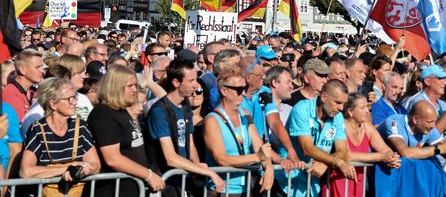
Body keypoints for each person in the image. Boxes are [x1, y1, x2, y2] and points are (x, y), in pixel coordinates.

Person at [146, 58, 224, 192]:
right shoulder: (160, 111)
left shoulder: (185, 105)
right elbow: (170, 158)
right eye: (191, 81)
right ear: (176, 82)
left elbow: (190, 143)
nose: (196, 85)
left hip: (185, 179)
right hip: (165, 182)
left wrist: (197, 166)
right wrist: (208, 172)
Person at [88, 65, 165, 196]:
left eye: (135, 85)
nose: (135, 90)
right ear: (116, 87)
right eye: (131, 86)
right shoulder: (104, 114)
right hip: (113, 190)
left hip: (133, 188)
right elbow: (113, 159)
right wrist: (148, 175)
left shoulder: (122, 111)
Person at [19, 78, 100, 195]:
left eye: (75, 97)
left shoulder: (80, 127)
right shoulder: (38, 129)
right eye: (69, 99)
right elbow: (25, 171)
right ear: (53, 104)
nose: (75, 102)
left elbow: (95, 164)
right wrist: (67, 169)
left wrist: (84, 170)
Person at [204, 68, 274, 196]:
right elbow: (221, 159)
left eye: (245, 88)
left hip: (246, 189)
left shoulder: (245, 115)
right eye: (239, 90)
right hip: (222, 190)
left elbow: (261, 148)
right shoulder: (212, 120)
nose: (243, 93)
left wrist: (269, 168)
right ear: (224, 91)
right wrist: (257, 157)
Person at [282, 79, 354, 197]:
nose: (341, 108)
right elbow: (308, 149)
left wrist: (326, 163)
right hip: (288, 182)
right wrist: (337, 161)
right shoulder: (301, 109)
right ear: (324, 97)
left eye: (343, 104)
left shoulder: (338, 116)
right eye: (337, 102)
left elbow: (343, 151)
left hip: (312, 185)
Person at [324, 93, 400, 197]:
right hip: (338, 179)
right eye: (362, 108)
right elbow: (348, 155)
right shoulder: (341, 125)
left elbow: (384, 149)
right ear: (350, 111)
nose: (367, 111)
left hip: (359, 180)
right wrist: (381, 157)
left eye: (367, 107)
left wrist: (392, 157)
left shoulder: (366, 126)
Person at [379, 100, 446, 160]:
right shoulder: (394, 122)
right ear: (415, 119)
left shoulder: (429, 129)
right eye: (429, 122)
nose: (433, 126)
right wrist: (440, 148)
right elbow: (405, 153)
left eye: (434, 121)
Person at [2, 49, 46, 119]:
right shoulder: (10, 94)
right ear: (22, 70)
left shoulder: (34, 92)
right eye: (37, 67)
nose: (43, 71)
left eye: (42, 67)